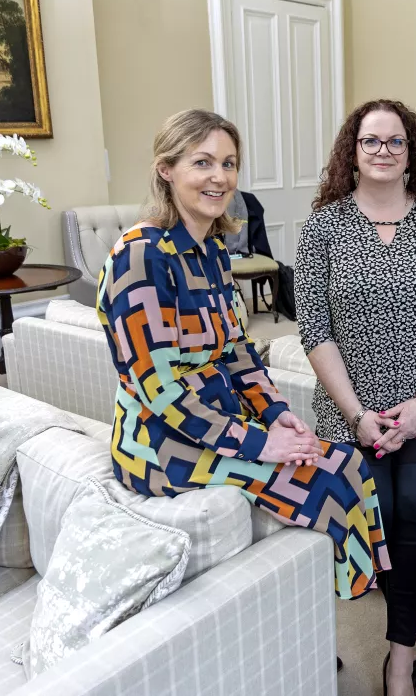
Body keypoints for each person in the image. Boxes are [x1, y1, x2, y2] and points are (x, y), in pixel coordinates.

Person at [96, 109, 389, 609]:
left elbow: (237, 352)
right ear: (167, 169)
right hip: (161, 444)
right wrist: (260, 443)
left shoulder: (211, 249)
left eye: (229, 164)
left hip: (223, 421)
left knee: (349, 464)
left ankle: (339, 606)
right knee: (326, 484)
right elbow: (160, 391)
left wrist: (281, 417)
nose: (220, 177)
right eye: (203, 162)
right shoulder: (140, 257)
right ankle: (323, 614)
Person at [295, 99, 416, 696]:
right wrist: (357, 414)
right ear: (352, 151)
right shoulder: (322, 226)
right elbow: (313, 329)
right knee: (380, 512)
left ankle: (399, 655)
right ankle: (410, 633)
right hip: (353, 409)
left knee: (411, 509)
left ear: (411, 152)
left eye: (395, 142)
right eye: (371, 141)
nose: (383, 152)